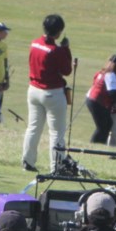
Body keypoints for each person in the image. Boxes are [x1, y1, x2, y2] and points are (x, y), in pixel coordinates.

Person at [22, 14, 72, 172]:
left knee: (33, 127)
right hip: (52, 93)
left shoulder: (34, 43)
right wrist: (66, 50)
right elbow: (67, 70)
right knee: (56, 132)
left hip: (33, 90)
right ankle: (56, 166)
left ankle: (27, 161)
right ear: (58, 32)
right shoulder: (56, 50)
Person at [85, 55, 116, 144]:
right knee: (102, 127)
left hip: (92, 99)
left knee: (108, 123)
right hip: (96, 101)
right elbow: (112, 93)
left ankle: (101, 144)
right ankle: (93, 145)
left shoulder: (103, 72)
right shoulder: (111, 75)